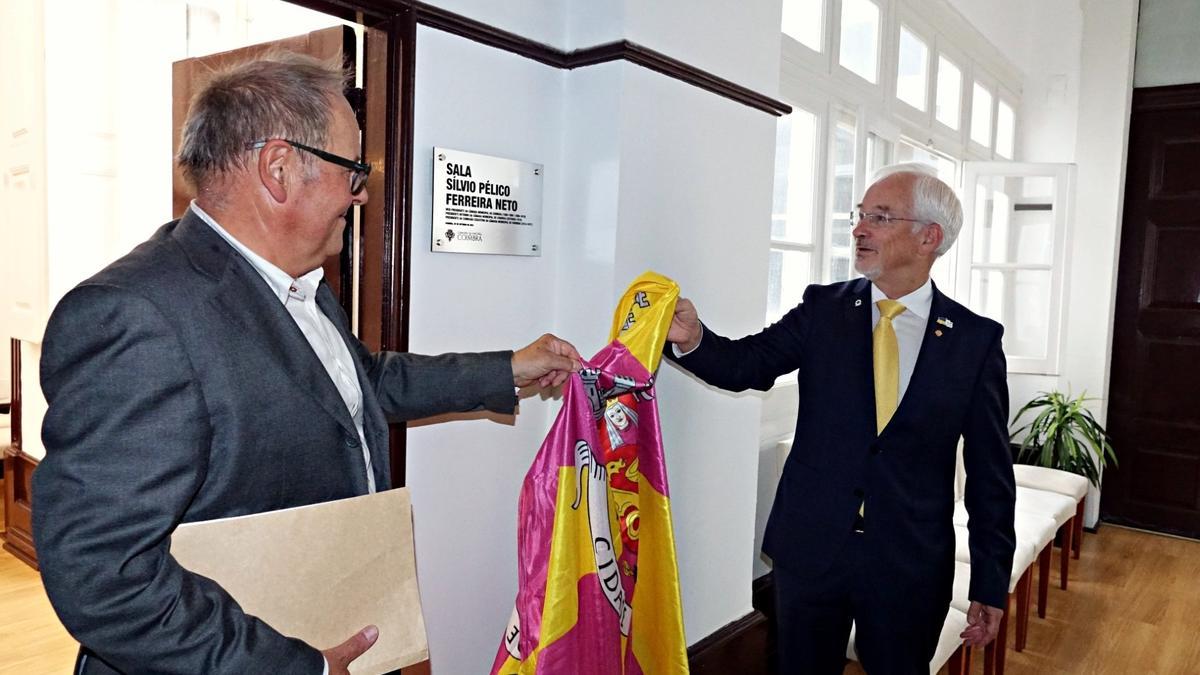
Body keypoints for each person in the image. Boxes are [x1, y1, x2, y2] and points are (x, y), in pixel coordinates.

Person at [32, 52, 580, 675]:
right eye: (352, 169)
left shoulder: (300, 285)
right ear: (279, 168)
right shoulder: (136, 316)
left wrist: (506, 368)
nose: (363, 191)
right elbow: (104, 575)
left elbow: (358, 384)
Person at [665, 164, 1015, 673]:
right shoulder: (823, 309)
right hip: (810, 550)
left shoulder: (974, 340)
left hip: (909, 563)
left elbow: (991, 474)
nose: (859, 228)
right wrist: (694, 337)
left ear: (928, 237)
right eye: (860, 214)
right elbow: (747, 364)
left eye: (880, 216)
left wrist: (989, 581)